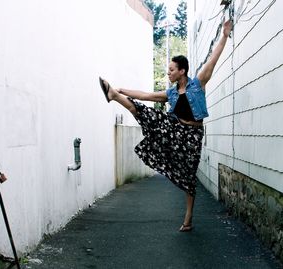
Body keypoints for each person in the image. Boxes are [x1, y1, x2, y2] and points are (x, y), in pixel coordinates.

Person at [99, 19, 233, 232]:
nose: (168, 73)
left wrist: (225, 35)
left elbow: (214, 59)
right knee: (144, 112)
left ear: (182, 71)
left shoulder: (198, 83)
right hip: (175, 129)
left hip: (193, 134)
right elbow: (146, 95)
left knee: (189, 175)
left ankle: (188, 219)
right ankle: (113, 95)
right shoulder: (170, 93)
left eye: (171, 70)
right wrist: (123, 90)